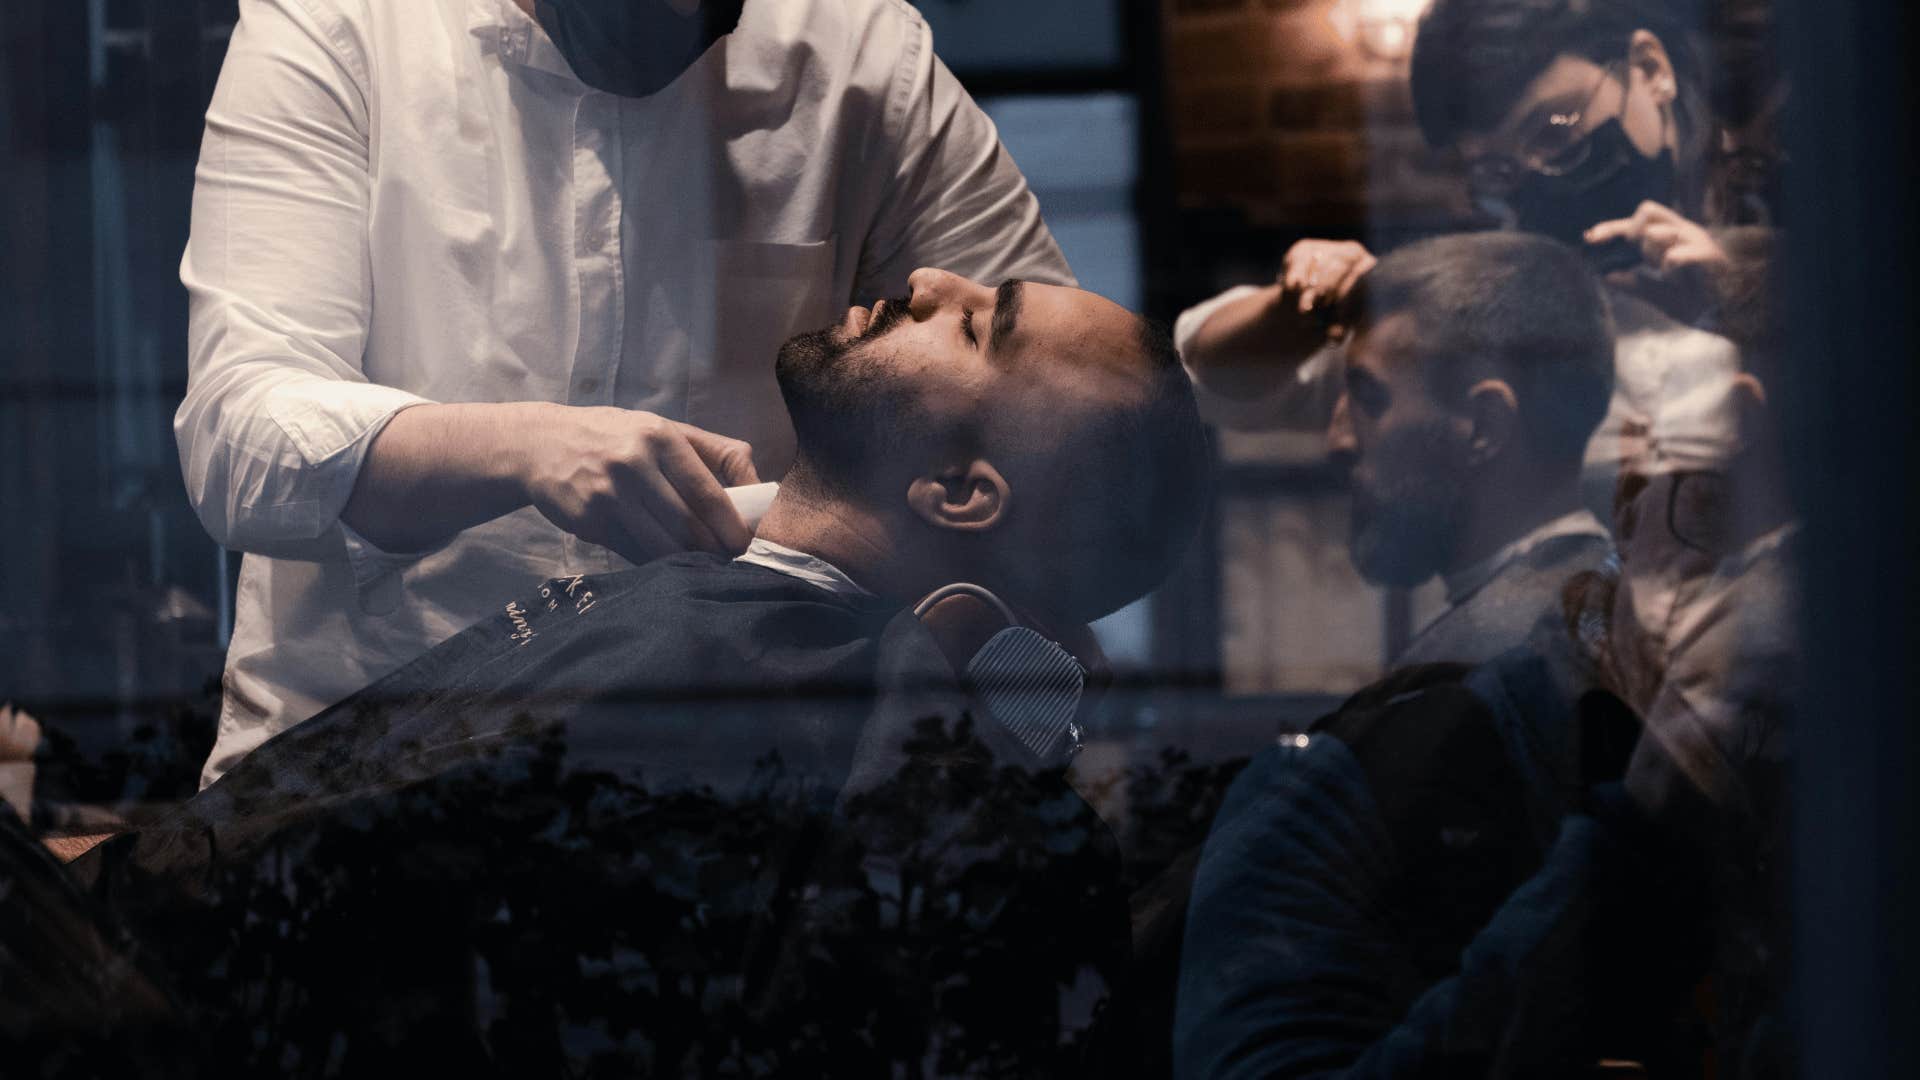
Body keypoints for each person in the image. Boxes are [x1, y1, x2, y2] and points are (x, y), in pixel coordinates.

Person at [58, 271, 1212, 1074]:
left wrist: (72, 878)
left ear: (959, 492)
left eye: (978, 328)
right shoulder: (762, 655)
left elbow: (229, 925)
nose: (927, 281)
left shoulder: (723, 682)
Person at [175, 0, 1075, 786]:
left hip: (718, 793)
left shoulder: (865, 59)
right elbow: (236, 437)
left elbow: (1070, 419)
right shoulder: (342, 25)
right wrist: (519, 449)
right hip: (352, 767)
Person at [1177, 0, 1764, 519]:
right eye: (1497, 171)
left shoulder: (1813, 204)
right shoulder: (1518, 292)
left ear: (1651, 69)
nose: (1539, 179)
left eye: (1557, 130)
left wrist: (1743, 300)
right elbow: (1209, 372)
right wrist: (1304, 306)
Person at [1326, 232, 1615, 665]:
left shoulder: (1495, 669)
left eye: (1370, 400)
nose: (1339, 441)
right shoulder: (1604, 614)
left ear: (1485, 426)